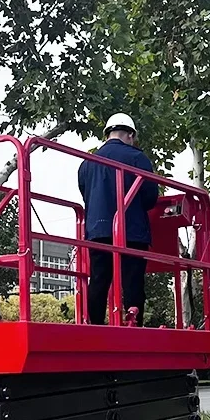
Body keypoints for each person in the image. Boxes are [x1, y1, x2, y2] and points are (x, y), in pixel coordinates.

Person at [77, 113, 158, 326]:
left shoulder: (87, 163)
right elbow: (150, 198)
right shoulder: (138, 159)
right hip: (131, 230)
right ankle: (133, 321)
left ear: (107, 134)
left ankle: (94, 324)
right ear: (130, 135)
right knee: (132, 280)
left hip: (97, 230)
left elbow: (86, 195)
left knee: (99, 278)